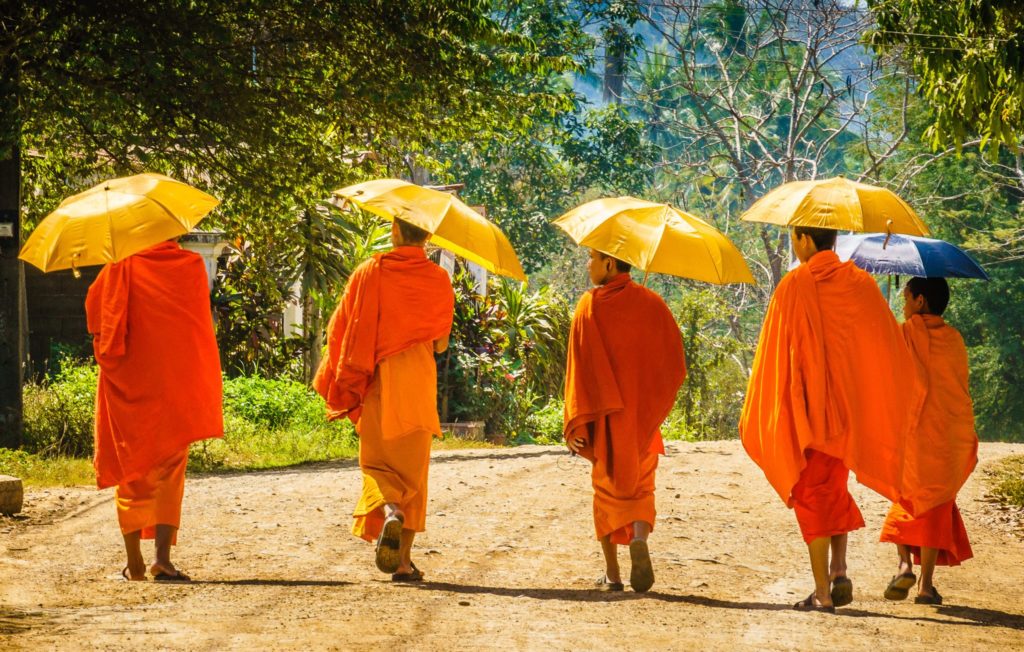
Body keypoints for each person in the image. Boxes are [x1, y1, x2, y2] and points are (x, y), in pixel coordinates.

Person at [740, 226, 921, 612]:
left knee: (811, 498)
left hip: (807, 415)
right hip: (848, 417)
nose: (793, 243)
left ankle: (822, 593)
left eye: (794, 237)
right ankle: (838, 571)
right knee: (833, 491)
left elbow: (776, 355)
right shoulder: (861, 284)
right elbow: (885, 349)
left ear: (805, 239)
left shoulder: (792, 285)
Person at [314, 218, 454, 582]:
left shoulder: (370, 271)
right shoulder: (439, 280)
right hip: (420, 381)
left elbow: (340, 329)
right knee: (414, 476)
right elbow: (440, 343)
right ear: (428, 236)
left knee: (377, 466)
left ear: (395, 230)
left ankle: (390, 510)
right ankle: (404, 562)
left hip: (380, 379)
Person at [86, 239, 223, 582]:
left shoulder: (119, 267)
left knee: (130, 467)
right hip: (175, 384)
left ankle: (134, 562)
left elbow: (96, 317)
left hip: (129, 382)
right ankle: (162, 560)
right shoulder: (190, 267)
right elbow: (196, 326)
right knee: (170, 471)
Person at [563, 249, 686, 593]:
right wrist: (650, 402)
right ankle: (639, 539)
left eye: (592, 258)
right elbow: (673, 362)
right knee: (642, 486)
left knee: (605, 491)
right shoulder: (652, 304)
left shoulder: (589, 305)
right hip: (641, 419)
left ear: (610, 264)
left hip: (603, 421)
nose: (587, 265)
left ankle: (613, 574)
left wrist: (576, 422)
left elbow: (579, 368)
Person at [880, 277, 977, 605]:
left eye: (906, 298)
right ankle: (925, 586)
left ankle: (905, 563)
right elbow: (959, 392)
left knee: (905, 495)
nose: (904, 305)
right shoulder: (954, 340)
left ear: (921, 301)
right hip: (946, 434)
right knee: (936, 504)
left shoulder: (904, 334)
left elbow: (887, 376)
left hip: (911, 433)